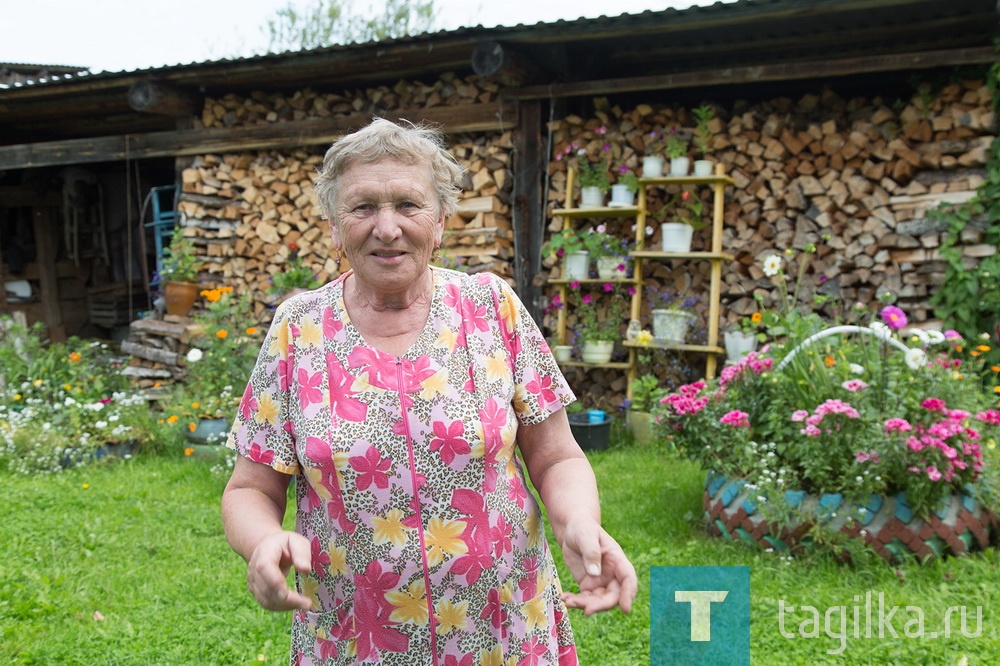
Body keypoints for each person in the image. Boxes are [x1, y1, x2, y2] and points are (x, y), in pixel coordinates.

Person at [221, 117, 637, 666]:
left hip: (503, 628)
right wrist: (262, 543)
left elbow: (556, 455)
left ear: (440, 221)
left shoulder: (491, 307)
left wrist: (579, 521)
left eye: (408, 206)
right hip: (356, 637)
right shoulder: (298, 329)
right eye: (363, 207)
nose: (386, 227)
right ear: (334, 225)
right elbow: (251, 488)